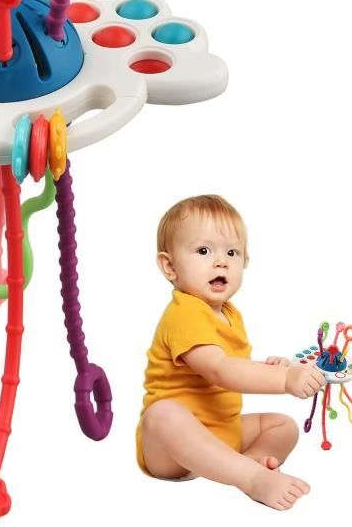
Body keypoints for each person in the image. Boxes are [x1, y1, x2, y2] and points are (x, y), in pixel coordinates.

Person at [136, 195, 325, 510]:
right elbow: (219, 370)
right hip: (171, 448)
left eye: (232, 252)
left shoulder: (230, 315)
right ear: (170, 266)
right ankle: (250, 477)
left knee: (283, 426)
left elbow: (233, 368)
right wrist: (284, 379)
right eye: (204, 251)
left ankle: (246, 463)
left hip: (223, 430)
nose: (221, 262)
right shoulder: (184, 312)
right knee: (161, 414)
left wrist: (270, 367)